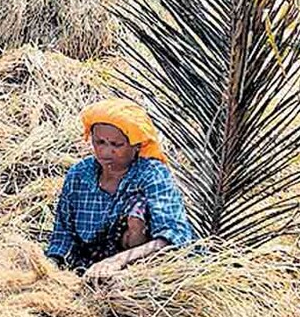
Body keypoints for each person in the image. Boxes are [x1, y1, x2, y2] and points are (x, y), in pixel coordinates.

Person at [45, 99, 195, 278]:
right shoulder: (79, 174)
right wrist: (50, 268)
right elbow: (63, 235)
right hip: (88, 269)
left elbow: (174, 237)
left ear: (136, 146)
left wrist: (116, 261)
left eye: (117, 145)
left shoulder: (152, 174)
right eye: (100, 142)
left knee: (137, 207)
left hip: (143, 271)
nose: (106, 152)